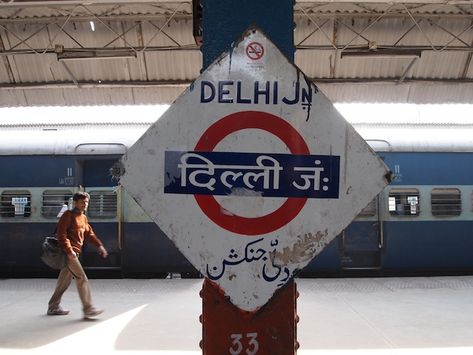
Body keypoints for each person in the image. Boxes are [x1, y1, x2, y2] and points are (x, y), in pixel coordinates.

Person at [47, 191, 108, 319]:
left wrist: (99, 245)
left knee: (64, 282)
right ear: (75, 202)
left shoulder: (83, 218)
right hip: (68, 253)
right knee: (81, 278)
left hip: (74, 253)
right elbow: (61, 235)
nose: (85, 204)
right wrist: (69, 251)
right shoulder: (67, 215)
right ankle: (88, 309)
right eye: (82, 202)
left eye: (86, 202)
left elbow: (89, 234)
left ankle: (53, 307)